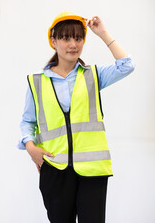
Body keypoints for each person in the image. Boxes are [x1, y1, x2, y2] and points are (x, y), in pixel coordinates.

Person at [18, 11, 135, 223]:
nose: (73, 44)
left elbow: (127, 65)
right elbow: (28, 121)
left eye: (78, 38)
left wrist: (103, 33)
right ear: (53, 41)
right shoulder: (36, 82)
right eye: (65, 38)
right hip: (55, 168)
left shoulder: (94, 75)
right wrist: (30, 147)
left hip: (92, 170)